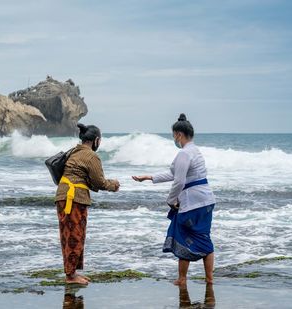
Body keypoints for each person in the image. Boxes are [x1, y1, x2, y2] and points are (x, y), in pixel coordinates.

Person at [132, 113, 216, 286]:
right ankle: (209, 279)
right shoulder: (195, 151)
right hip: (206, 200)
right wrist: (148, 177)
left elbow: (179, 180)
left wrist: (170, 200)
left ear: (179, 134)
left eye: (173, 135)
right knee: (204, 237)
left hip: (193, 202)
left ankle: (182, 279)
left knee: (182, 236)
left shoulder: (184, 153)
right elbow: (174, 174)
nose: (173, 138)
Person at [55, 123, 120, 285]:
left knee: (68, 235)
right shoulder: (91, 156)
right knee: (75, 235)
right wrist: (113, 185)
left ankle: (72, 273)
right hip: (74, 197)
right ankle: (70, 276)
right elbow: (99, 182)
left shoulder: (74, 152)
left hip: (64, 195)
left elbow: (87, 179)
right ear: (96, 140)